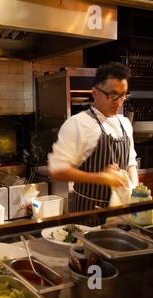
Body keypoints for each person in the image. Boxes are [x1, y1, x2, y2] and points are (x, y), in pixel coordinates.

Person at [48, 62, 139, 212]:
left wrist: (135, 192)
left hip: (122, 213)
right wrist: (101, 177)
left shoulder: (125, 123)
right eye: (112, 95)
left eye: (123, 95)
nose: (118, 102)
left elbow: (131, 164)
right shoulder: (78, 124)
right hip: (89, 215)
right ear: (95, 92)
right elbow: (57, 170)